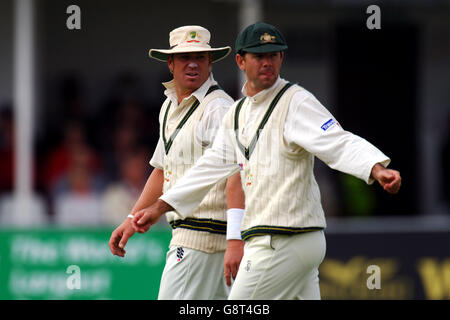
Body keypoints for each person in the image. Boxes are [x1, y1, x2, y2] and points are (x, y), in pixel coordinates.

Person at [129, 22, 402, 300]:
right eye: (259, 56)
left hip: (281, 239)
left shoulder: (295, 100)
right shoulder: (237, 113)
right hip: (292, 242)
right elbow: (209, 168)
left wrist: (375, 167)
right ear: (241, 61)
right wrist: (160, 207)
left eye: (273, 55)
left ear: (282, 58)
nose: (267, 62)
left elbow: (337, 140)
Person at [108, 25, 245, 300]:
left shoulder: (218, 108)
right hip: (189, 235)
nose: (192, 64)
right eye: (184, 57)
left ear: (210, 62)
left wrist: (234, 239)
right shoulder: (169, 106)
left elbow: (235, 175)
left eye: (200, 57)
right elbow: (162, 170)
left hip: (203, 236)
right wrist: (131, 219)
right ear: (170, 63)